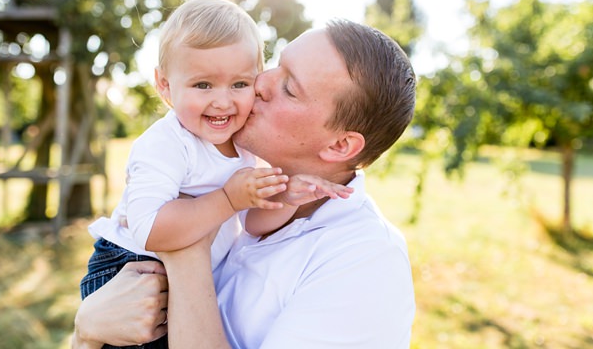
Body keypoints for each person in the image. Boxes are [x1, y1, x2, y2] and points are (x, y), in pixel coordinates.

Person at [73, 20, 420, 349]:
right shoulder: (246, 179)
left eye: (288, 87)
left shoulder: (365, 263)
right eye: (275, 65)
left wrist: (187, 248)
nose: (260, 82)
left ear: (339, 146)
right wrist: (86, 333)